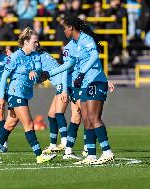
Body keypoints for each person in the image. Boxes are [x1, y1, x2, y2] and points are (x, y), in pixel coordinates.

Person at [38, 15, 115, 165]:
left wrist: (82, 72)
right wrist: (49, 73)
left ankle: (107, 152)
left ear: (71, 27)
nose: (64, 31)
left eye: (65, 28)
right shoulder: (73, 44)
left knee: (94, 118)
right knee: (86, 119)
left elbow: (94, 55)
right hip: (85, 83)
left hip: (95, 81)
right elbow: (68, 65)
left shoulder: (86, 40)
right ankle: (91, 155)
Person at [0, 27, 56, 164]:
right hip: (15, 92)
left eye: (37, 41)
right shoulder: (16, 56)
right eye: (35, 42)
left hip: (24, 93)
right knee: (29, 124)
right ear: (26, 42)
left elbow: (38, 72)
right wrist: (0, 97)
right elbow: (5, 76)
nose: (37, 44)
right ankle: (39, 155)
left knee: (10, 124)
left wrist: (34, 73)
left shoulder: (36, 56)